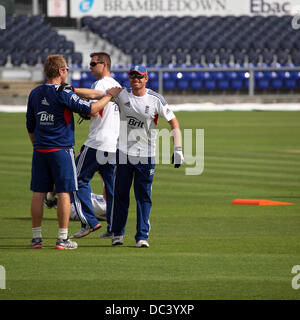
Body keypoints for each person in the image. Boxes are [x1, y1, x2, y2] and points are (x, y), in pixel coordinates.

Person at [26, 54, 118, 249]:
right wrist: (109, 96)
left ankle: (36, 239)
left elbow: (30, 126)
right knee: (65, 192)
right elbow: (92, 109)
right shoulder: (63, 92)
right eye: (66, 69)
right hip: (61, 149)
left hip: (40, 150)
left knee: (38, 193)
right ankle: (62, 239)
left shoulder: (35, 93)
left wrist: (37, 145)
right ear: (60, 71)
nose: (67, 72)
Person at [106, 65, 184, 248]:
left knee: (143, 197)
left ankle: (142, 236)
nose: (136, 79)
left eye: (139, 76)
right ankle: (117, 234)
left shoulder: (155, 99)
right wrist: (75, 91)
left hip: (146, 155)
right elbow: (96, 95)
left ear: (146, 78)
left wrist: (178, 149)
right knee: (120, 195)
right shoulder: (121, 94)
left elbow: (174, 122)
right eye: (132, 76)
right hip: (123, 153)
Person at [70, 52, 121, 239]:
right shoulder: (118, 85)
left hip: (97, 141)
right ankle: (115, 230)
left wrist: (79, 108)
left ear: (104, 64)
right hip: (113, 143)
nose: (90, 67)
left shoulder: (100, 85)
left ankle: (89, 222)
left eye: (93, 63)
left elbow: (93, 111)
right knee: (111, 187)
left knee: (76, 179)